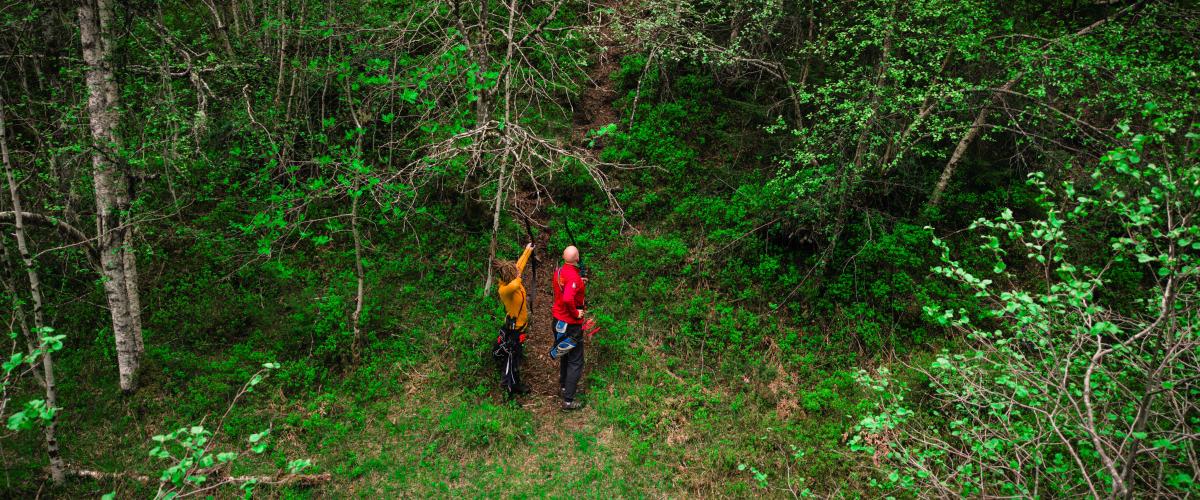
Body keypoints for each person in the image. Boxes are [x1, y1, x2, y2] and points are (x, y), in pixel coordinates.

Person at [492, 242, 534, 396]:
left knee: (516, 360)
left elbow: (518, 267)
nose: (518, 273)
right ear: (509, 277)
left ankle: (516, 385)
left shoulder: (512, 279)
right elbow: (516, 283)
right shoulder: (505, 290)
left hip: (519, 329)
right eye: (515, 274)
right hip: (514, 332)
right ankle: (509, 391)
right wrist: (518, 277)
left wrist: (528, 250)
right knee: (512, 361)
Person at [551, 245, 587, 410]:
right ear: (577, 259)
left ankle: (564, 386)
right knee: (576, 360)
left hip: (558, 322)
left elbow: (566, 286)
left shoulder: (559, 271)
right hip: (570, 325)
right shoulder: (573, 277)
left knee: (565, 353)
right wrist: (575, 313)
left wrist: (579, 282)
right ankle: (568, 400)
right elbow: (567, 298)